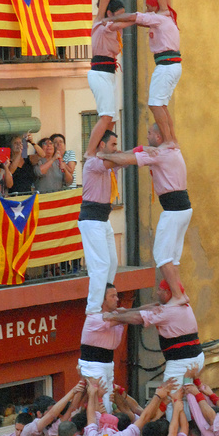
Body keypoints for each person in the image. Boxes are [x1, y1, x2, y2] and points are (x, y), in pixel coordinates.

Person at [96, 122, 191, 301]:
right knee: (173, 259)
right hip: (183, 209)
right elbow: (136, 151)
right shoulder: (170, 149)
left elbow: (126, 160)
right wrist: (142, 148)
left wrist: (104, 155)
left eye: (149, 134)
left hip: (173, 210)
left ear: (158, 137)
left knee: (162, 257)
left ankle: (178, 296)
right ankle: (180, 294)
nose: (147, 136)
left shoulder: (160, 154)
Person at [104, 279, 205, 393]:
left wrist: (112, 317)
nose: (157, 293)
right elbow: (153, 307)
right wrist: (126, 311)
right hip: (192, 358)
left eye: (159, 290)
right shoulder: (176, 304)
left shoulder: (169, 311)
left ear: (167, 293)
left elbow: (139, 318)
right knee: (186, 396)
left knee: (171, 398)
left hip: (181, 362)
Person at [104, 0, 181, 143]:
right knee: (162, 106)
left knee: (155, 104)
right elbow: (137, 21)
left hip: (166, 66)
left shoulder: (158, 18)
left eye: (149, 6)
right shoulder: (164, 19)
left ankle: (168, 141)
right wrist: (122, 22)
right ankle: (172, 139)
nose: (147, 10)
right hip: (172, 65)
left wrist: (110, 19)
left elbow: (134, 16)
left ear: (156, 6)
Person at [78, 129, 120, 314]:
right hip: (92, 220)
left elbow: (122, 161)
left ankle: (107, 296)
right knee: (100, 265)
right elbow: (122, 160)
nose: (116, 149)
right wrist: (140, 153)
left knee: (112, 262)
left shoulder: (111, 163)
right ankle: (93, 309)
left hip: (103, 219)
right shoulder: (94, 162)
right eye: (113, 144)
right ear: (102, 145)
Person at [87, 0, 126, 156]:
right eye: (120, 14)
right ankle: (90, 152)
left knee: (113, 118)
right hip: (100, 73)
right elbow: (119, 23)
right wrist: (140, 18)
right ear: (109, 13)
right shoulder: (103, 25)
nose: (123, 17)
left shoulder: (116, 27)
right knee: (106, 115)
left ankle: (102, 149)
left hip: (110, 74)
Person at [78, 284, 125, 411]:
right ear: (103, 300)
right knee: (102, 405)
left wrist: (153, 308)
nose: (117, 299)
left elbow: (132, 314)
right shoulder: (94, 317)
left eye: (117, 295)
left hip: (108, 362)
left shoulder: (116, 313)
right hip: (94, 363)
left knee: (109, 403)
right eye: (113, 296)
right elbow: (129, 317)